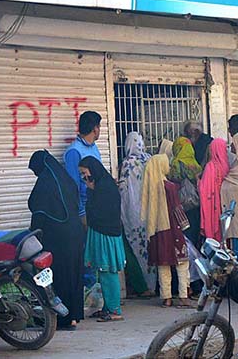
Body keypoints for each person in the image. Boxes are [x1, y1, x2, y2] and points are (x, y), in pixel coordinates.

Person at [28, 150, 85, 330]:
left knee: (59, 276)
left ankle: (63, 319)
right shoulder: (65, 180)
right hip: (75, 233)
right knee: (74, 275)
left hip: (59, 238)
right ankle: (74, 316)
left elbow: (39, 212)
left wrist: (32, 235)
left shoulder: (45, 183)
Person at [141, 154, 193, 308]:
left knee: (163, 265)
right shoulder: (169, 186)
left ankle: (167, 298)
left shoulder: (149, 187)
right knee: (182, 264)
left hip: (157, 232)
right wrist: (185, 226)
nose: (169, 167)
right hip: (173, 230)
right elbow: (177, 208)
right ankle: (183, 296)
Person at [79, 157, 126, 322]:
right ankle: (107, 307)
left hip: (106, 234)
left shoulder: (105, 188)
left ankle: (114, 310)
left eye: (85, 173)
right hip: (100, 233)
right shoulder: (100, 186)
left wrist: (91, 191)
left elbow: (100, 212)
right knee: (102, 273)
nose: (84, 177)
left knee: (108, 273)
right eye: (82, 175)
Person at [117, 132, 155, 297]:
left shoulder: (128, 163)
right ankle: (153, 284)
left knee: (135, 247)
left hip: (133, 210)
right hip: (150, 209)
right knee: (149, 246)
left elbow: (124, 189)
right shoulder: (149, 159)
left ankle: (143, 286)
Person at [63, 111, 103, 221]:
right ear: (95, 129)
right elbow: (74, 185)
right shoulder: (74, 152)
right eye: (99, 126)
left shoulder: (93, 147)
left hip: (98, 203)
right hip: (86, 208)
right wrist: (81, 214)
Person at [170, 137, 203, 247]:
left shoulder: (176, 163)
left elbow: (173, 179)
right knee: (194, 230)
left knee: (184, 230)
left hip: (182, 203)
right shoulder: (196, 164)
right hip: (196, 202)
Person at [200, 139, 230, 242]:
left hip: (213, 205)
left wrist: (197, 181)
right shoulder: (227, 165)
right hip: (224, 204)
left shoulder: (210, 166)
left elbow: (203, 189)